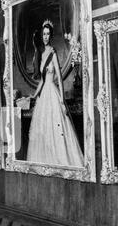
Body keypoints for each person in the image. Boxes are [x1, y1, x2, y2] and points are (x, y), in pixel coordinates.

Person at [26, 20, 83, 166]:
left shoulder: (53, 53)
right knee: (43, 129)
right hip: (43, 93)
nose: (45, 37)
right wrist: (34, 95)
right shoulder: (40, 53)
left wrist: (63, 102)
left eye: (48, 34)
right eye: (44, 34)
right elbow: (41, 81)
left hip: (52, 92)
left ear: (51, 36)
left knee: (56, 127)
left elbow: (59, 78)